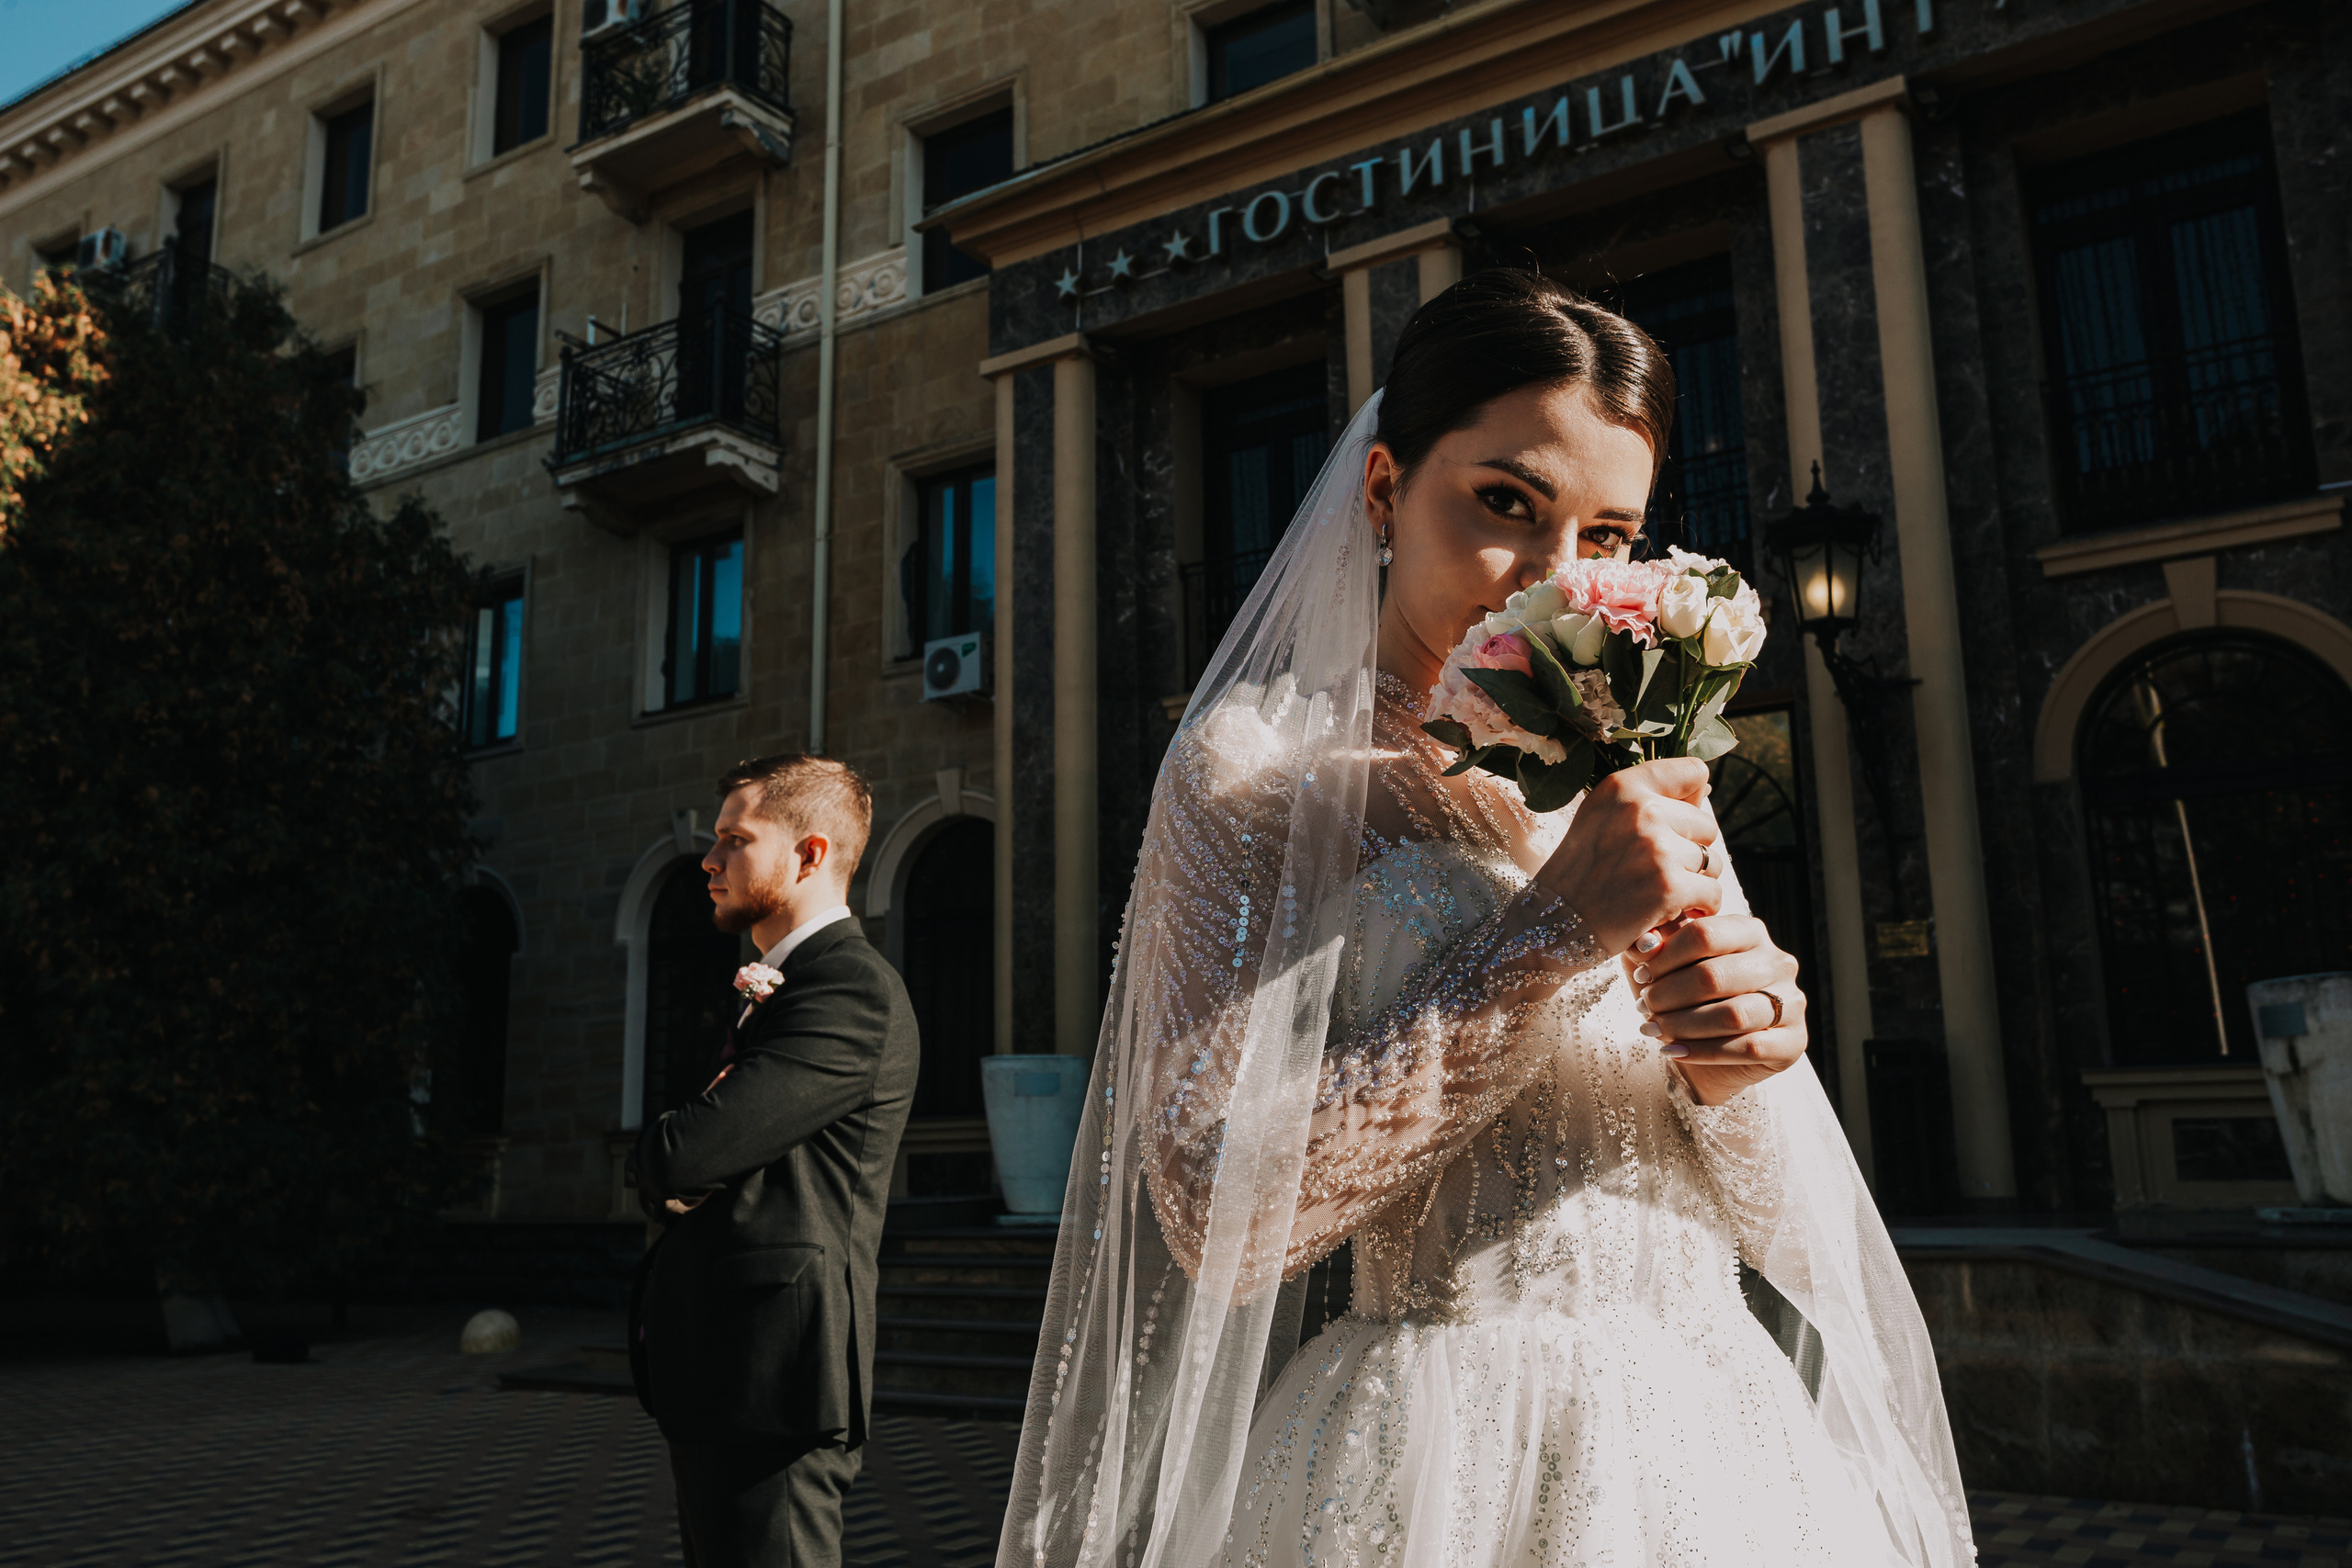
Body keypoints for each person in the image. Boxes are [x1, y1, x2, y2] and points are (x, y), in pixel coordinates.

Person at [995, 271, 1973, 1568]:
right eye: (1507, 504)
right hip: (1435, 1455)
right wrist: (1551, 937)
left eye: (1610, 537)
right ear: (1388, 489)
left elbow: (1793, 1225)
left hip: (1716, 1445)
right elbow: (1214, 1215)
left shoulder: (1640, 765)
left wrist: (1749, 1059)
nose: (1555, 585)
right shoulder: (1256, 770)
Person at [628, 752, 919, 1568]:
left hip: (776, 1384)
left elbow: (683, 1155)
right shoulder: (788, 986)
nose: (709, 859)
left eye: (734, 838)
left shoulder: (848, 990)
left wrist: (664, 1155)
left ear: (810, 854)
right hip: (729, 1376)